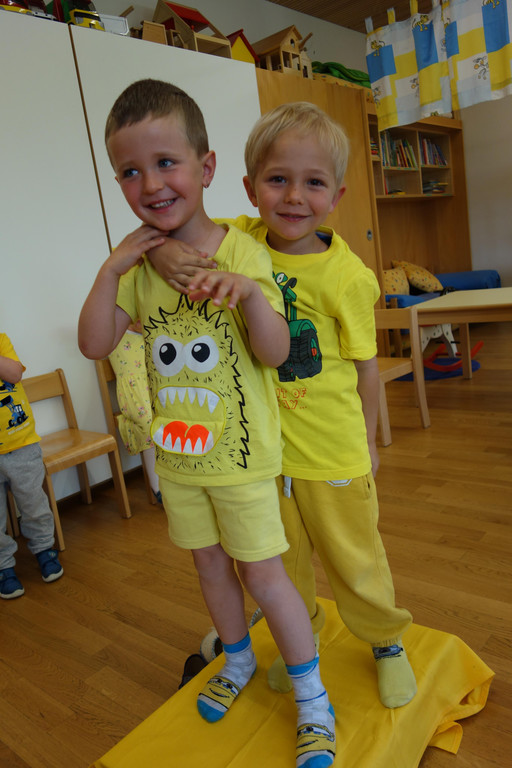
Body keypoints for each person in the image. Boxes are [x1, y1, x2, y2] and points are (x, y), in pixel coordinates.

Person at [78, 80, 336, 768]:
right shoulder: (137, 271)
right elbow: (95, 343)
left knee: (264, 576)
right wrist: (110, 268)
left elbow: (275, 354)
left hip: (243, 461)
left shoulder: (243, 252)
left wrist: (248, 294)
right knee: (210, 567)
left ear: (207, 167)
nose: (150, 184)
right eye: (129, 171)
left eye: (166, 162)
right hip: (180, 461)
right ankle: (238, 657)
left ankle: (313, 698)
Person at [149, 101, 417, 710]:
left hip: (332, 449)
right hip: (262, 454)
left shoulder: (348, 276)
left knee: (354, 557)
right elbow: (173, 226)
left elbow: (367, 368)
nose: (294, 197)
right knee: (281, 561)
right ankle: (305, 640)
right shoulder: (239, 240)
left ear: (336, 195)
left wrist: (370, 442)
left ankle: (385, 640)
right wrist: (160, 252)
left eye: (313, 182)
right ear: (250, 188)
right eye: (278, 179)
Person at [0, 333, 64, 599]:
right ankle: (3, 566)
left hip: (20, 443)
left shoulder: (1, 340)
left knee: (33, 502)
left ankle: (44, 548)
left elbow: (14, 373)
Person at [108, 320, 161, 502]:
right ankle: (157, 487)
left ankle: (180, 477)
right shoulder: (117, 335)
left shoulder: (152, 335)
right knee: (148, 424)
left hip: (154, 387)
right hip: (134, 392)